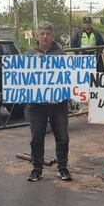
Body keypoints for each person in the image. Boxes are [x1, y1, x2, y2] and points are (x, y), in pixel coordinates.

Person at [25, 22, 72, 182]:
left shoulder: (61, 54)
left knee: (63, 137)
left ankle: (63, 168)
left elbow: (69, 78)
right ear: (37, 35)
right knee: (36, 138)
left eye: (48, 34)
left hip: (58, 104)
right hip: (36, 105)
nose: (45, 36)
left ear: (53, 36)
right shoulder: (29, 55)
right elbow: (23, 79)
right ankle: (37, 169)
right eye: (42, 33)